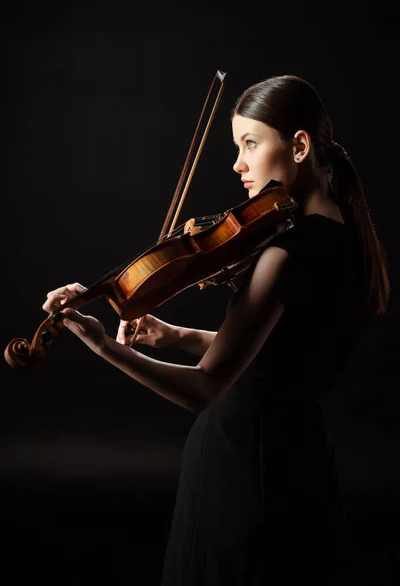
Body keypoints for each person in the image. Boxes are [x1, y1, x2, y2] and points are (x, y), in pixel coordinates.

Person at [42, 75, 390, 585]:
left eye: (250, 143)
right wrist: (174, 334)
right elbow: (280, 355)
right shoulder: (346, 235)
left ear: (298, 146)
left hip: (242, 465)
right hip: (300, 460)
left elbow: (205, 388)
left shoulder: (284, 254)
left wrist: (99, 344)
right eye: (236, 146)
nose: (238, 164)